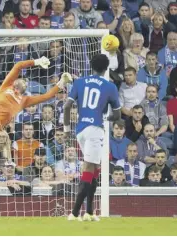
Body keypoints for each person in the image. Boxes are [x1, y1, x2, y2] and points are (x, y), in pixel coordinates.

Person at [63, 54, 121, 221]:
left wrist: (67, 130)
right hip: (95, 129)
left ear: (91, 65)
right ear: (106, 68)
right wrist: (106, 118)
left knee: (94, 170)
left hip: (80, 130)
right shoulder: (110, 86)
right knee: (89, 169)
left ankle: (89, 212)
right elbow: (117, 115)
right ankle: (74, 213)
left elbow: (67, 106)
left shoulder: (79, 82)